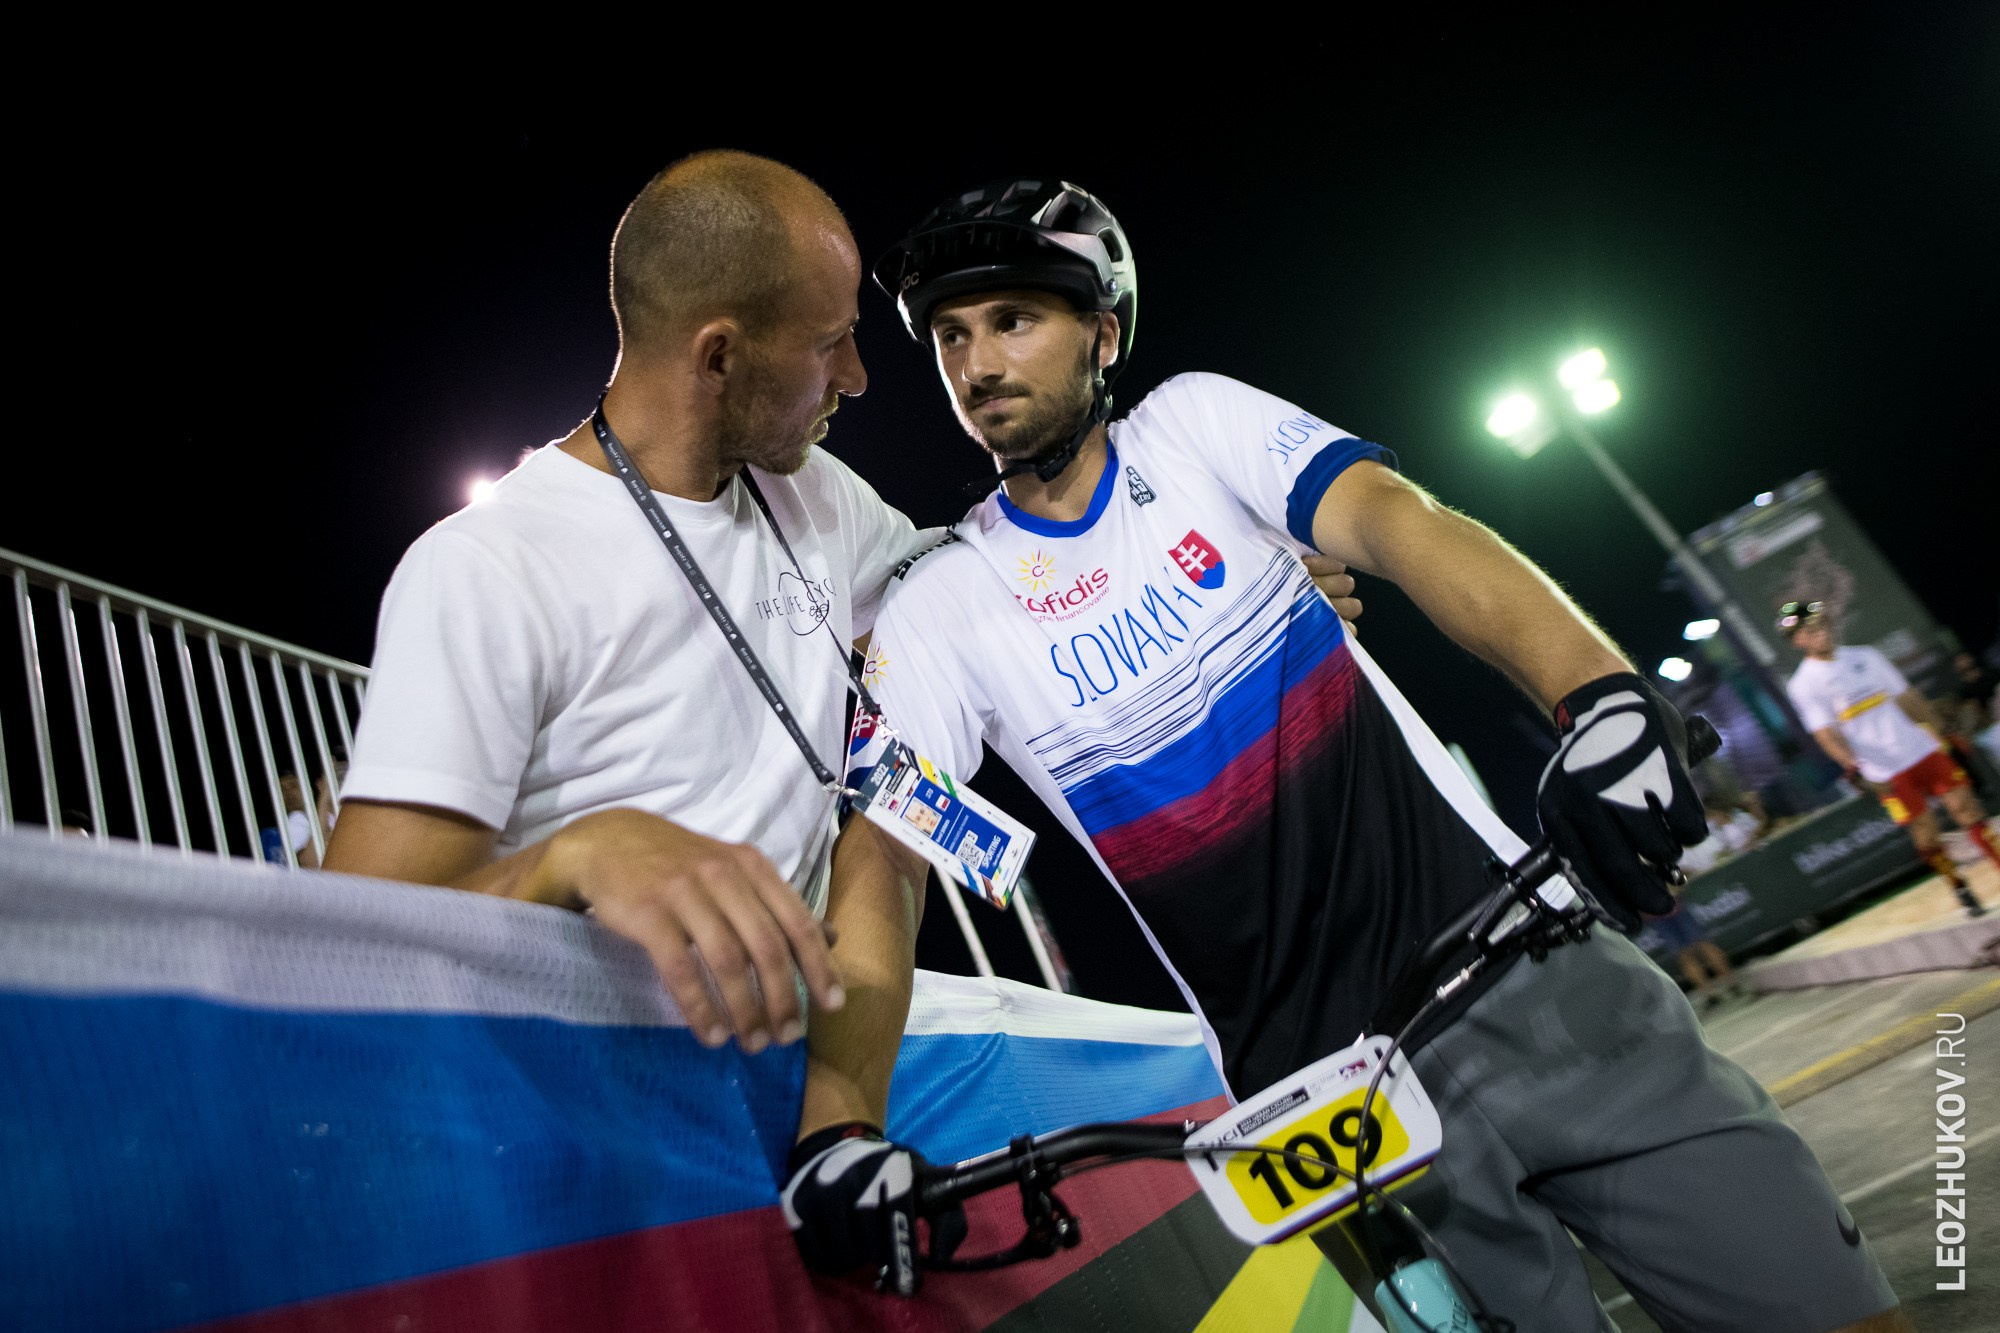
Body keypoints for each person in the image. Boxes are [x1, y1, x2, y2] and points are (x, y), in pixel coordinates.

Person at [799, 179, 1908, 1332]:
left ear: (1103, 333)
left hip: (1525, 967)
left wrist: (1599, 698)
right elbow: (885, 850)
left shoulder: (1189, 426)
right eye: (949, 336)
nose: (976, 364)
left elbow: (1399, 523)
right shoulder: (943, 604)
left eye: (1012, 319)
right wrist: (837, 1124)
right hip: (1323, 1109)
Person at [322, 151, 939, 1175]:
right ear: (718, 356)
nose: (856, 377)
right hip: (562, 1123)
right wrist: (570, 857)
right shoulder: (486, 565)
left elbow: (958, 580)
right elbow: (347, 949)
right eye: (828, 343)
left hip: (776, 1088)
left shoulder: (818, 495)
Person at [1781, 600, 1997, 918]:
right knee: (1925, 830)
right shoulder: (1804, 684)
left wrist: (1942, 730)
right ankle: (1958, 885)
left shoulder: (1865, 655)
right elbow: (1826, 734)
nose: (1819, 632)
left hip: (1920, 749)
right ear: (1797, 640)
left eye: (1820, 625)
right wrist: (1854, 769)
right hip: (1883, 770)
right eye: (1808, 631)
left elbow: (1906, 696)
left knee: (1967, 808)